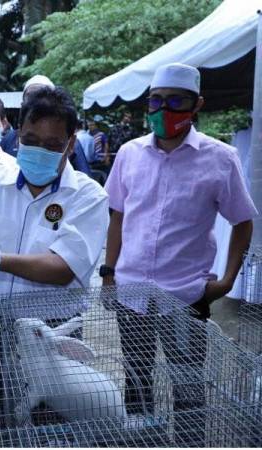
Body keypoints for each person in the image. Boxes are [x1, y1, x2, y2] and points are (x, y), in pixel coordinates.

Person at [102, 63, 257, 446]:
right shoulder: (128, 153)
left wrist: (226, 281)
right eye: (156, 99)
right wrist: (109, 274)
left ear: (196, 104)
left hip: (185, 298)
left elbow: (242, 221)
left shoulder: (220, 159)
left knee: (188, 388)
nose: (163, 109)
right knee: (136, 383)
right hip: (131, 293)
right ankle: (141, 444)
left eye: (175, 100)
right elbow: (118, 217)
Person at [0, 85, 109, 319]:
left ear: (70, 145)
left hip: (55, 325)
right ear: (19, 135)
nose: (39, 150)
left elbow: (62, 268)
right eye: (30, 140)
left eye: (52, 145)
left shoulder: (88, 195)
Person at [0, 75, 54, 157]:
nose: (35, 101)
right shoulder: (8, 139)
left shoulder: (64, 142)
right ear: (22, 104)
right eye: (30, 96)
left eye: (41, 96)